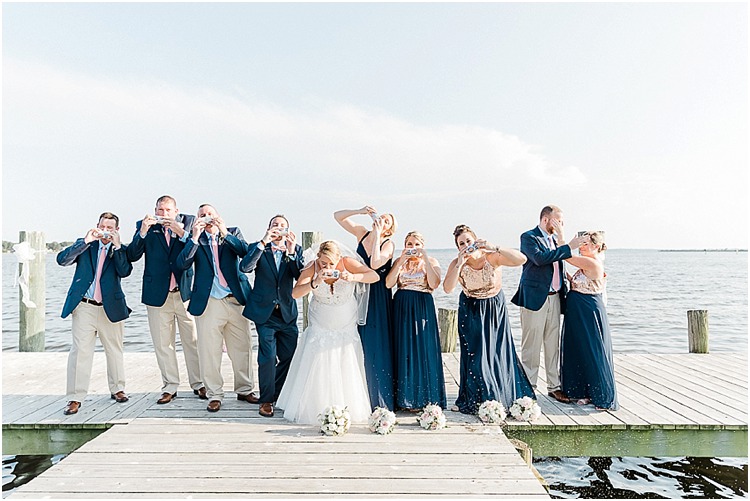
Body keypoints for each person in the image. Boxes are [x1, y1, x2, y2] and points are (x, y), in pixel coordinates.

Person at [276, 241, 379, 425]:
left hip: (346, 323)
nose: (328, 267)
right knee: (318, 359)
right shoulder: (312, 267)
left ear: (338, 258)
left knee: (345, 359)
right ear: (318, 258)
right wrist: (316, 282)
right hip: (321, 322)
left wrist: (353, 277)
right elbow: (295, 293)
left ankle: (348, 406)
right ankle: (315, 406)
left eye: (331, 263)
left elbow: (373, 276)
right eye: (324, 263)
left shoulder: (347, 262)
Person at [175, 204, 258, 413]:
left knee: (242, 347)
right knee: (209, 350)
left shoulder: (232, 232)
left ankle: (245, 388)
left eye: (210, 214)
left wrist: (223, 232)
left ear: (218, 216)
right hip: (209, 300)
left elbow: (245, 253)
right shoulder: (195, 239)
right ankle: (214, 394)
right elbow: (182, 263)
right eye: (202, 215)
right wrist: (193, 236)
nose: (206, 217)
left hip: (235, 298)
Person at [443, 225, 533, 413]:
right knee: (475, 355)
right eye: (461, 243)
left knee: (495, 351)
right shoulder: (457, 263)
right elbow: (447, 288)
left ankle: (497, 393)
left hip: (493, 308)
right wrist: (459, 264)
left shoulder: (491, 256)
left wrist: (495, 247)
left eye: (468, 241)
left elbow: (522, 259)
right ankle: (474, 397)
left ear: (475, 240)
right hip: (470, 308)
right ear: (458, 247)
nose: (466, 245)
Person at [126, 195, 205, 404]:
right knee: (163, 344)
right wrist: (142, 232)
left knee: (193, 341)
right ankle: (170, 386)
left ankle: (199, 384)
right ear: (155, 210)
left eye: (168, 210)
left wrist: (181, 233)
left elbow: (198, 249)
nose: (164, 214)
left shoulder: (188, 224)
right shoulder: (146, 227)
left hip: (185, 293)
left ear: (176, 211)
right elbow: (132, 255)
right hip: (157, 294)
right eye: (160, 210)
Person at [57, 212, 133, 415]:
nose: (106, 231)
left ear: (116, 230)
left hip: (111, 308)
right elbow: (62, 260)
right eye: (103, 226)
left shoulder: (121, 250)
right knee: (80, 352)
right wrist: (85, 240)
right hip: (84, 306)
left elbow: (125, 271)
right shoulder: (85, 246)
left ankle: (117, 389)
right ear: (96, 226)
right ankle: (75, 397)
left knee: (114, 350)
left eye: (110, 227)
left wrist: (116, 247)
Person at [511, 205, 586, 404]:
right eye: (558, 221)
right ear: (546, 219)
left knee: (553, 343)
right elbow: (539, 259)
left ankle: (554, 386)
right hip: (535, 298)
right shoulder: (528, 237)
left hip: (555, 297)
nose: (561, 225)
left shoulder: (555, 240)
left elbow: (558, 263)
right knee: (531, 344)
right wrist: (568, 245)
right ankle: (528, 387)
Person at [239, 215, 304, 418]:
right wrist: (263, 242)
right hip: (264, 314)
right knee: (267, 358)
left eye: (283, 226)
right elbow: (245, 267)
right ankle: (266, 400)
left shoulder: (296, 249)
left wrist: (291, 251)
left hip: (286, 313)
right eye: (275, 225)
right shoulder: (257, 247)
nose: (279, 228)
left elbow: (299, 275)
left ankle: (278, 393)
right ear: (268, 228)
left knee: (289, 356)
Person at [334, 206, 397, 410]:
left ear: (390, 229)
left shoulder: (388, 244)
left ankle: (378, 396)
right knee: (356, 339)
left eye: (387, 221)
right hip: (357, 290)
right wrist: (360, 211)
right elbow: (338, 216)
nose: (382, 221)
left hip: (378, 295)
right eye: (381, 217)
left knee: (375, 342)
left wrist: (378, 235)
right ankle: (354, 393)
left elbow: (376, 262)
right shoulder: (362, 233)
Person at [385, 231, 446, 410]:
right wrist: (401, 261)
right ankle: (404, 398)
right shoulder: (400, 262)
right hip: (402, 306)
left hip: (422, 305)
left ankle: (425, 397)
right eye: (409, 244)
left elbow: (434, 284)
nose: (413, 248)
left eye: (416, 244)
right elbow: (389, 283)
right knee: (404, 349)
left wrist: (425, 259)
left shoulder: (432, 261)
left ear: (423, 245)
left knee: (423, 348)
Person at [560, 231, 619, 410]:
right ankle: (583, 391)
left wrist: (561, 236)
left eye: (585, 243)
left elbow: (566, 256)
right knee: (579, 348)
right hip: (577, 309)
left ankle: (601, 395)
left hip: (588, 310)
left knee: (593, 349)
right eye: (581, 243)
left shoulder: (592, 262)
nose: (581, 246)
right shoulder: (585, 264)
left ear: (596, 246)